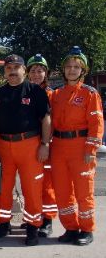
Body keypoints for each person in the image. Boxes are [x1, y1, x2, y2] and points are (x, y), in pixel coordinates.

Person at [0, 54, 51, 246]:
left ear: (23, 70)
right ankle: (4, 223)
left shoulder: (35, 91)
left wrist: (45, 144)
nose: (12, 71)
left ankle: (33, 227)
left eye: (16, 67)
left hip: (30, 145)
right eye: (9, 68)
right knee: (3, 188)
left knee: (32, 189)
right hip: (4, 146)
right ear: (5, 72)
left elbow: (46, 119)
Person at [50, 46, 104, 246]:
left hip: (81, 147)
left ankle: (87, 229)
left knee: (83, 191)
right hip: (59, 147)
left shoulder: (90, 94)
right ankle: (71, 228)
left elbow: (97, 123)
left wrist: (91, 149)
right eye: (68, 66)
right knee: (63, 191)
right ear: (63, 70)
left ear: (83, 71)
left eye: (76, 67)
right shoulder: (56, 94)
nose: (72, 70)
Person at [26, 54, 57, 237]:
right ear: (28, 74)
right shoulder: (25, 92)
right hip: (29, 144)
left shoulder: (52, 95)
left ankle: (47, 220)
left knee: (46, 185)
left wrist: (46, 143)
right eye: (33, 71)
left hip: (46, 144)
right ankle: (33, 218)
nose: (37, 74)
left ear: (46, 73)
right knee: (31, 185)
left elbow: (54, 121)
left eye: (40, 71)